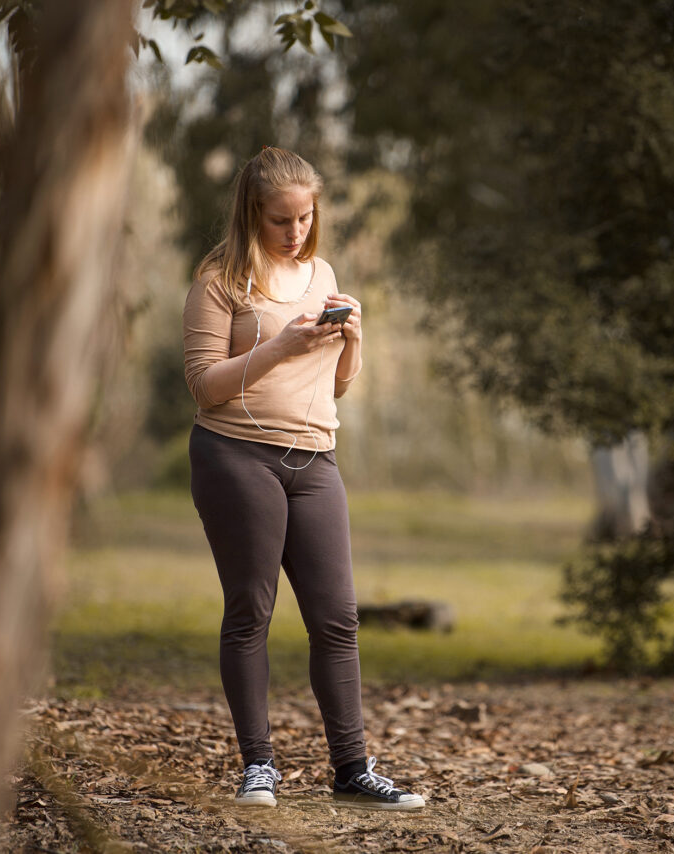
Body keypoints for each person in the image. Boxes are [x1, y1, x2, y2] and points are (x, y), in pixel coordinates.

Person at [183, 147, 424, 811]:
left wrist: (352, 341)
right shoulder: (219, 281)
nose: (294, 233)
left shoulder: (322, 274)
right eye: (279, 221)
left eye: (304, 219)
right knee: (250, 612)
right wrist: (279, 345)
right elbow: (204, 388)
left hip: (315, 459)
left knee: (338, 618)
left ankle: (352, 769)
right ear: (250, 215)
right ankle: (258, 766)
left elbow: (338, 388)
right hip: (236, 455)